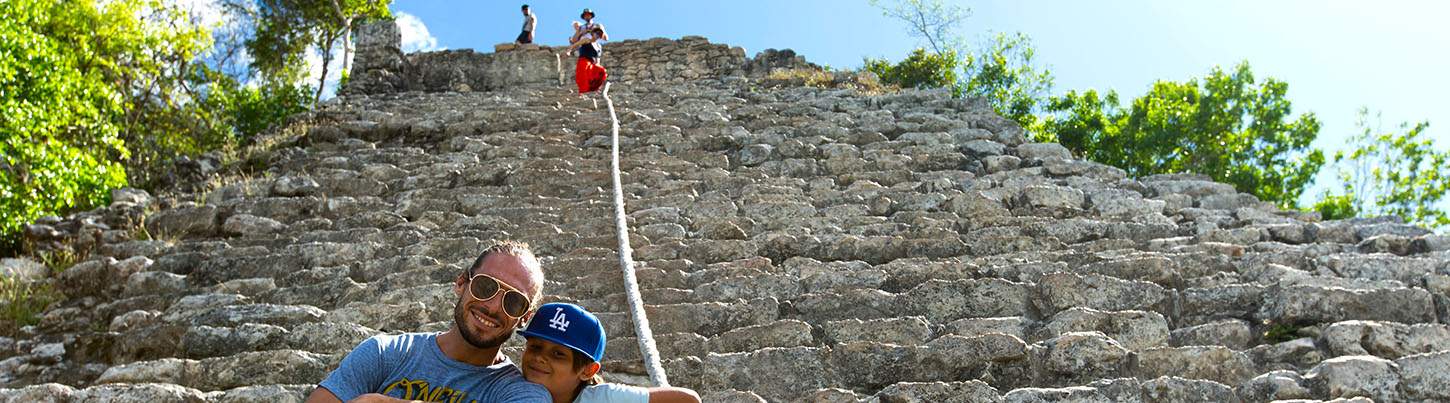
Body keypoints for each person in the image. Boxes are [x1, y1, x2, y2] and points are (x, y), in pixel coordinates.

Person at [304, 241, 552, 403]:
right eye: (485, 286)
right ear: (461, 283)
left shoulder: (522, 394)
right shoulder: (385, 353)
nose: (493, 306)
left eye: (514, 302)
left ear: (524, 317)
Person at [519, 302, 701, 403]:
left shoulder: (603, 398)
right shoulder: (510, 384)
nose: (540, 358)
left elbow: (688, 400)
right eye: (535, 347)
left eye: (558, 354)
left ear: (588, 370)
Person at [567, 8, 608, 94]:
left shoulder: (597, 25)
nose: (587, 16)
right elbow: (574, 40)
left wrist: (598, 31)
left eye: (588, 15)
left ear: (591, 16)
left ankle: (594, 87)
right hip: (585, 46)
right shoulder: (581, 28)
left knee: (597, 69)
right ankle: (585, 89)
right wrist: (582, 32)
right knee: (584, 68)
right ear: (584, 17)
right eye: (585, 15)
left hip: (594, 47)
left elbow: (605, 38)